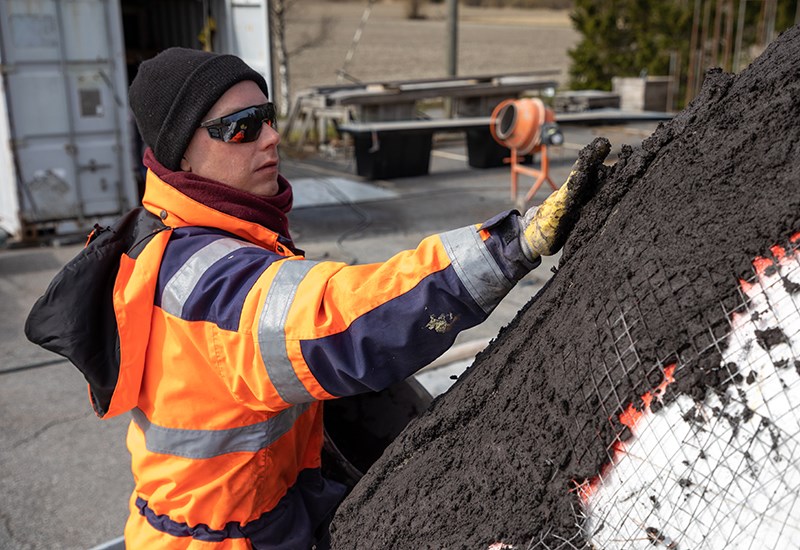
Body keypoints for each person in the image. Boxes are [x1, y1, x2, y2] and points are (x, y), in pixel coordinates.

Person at [25, 48, 609, 549]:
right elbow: (340, 321)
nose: (272, 137)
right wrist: (513, 245)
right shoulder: (210, 281)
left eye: (268, 117)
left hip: (246, 514)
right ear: (181, 155)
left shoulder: (175, 233)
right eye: (241, 127)